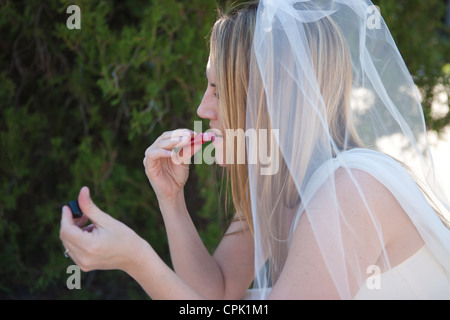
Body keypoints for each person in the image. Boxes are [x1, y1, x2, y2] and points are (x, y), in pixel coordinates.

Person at [59, 0, 450, 299]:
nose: (201, 109)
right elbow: (218, 292)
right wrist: (171, 200)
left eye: (217, 89)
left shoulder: (351, 190)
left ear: (270, 99)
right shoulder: (283, 187)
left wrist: (136, 259)